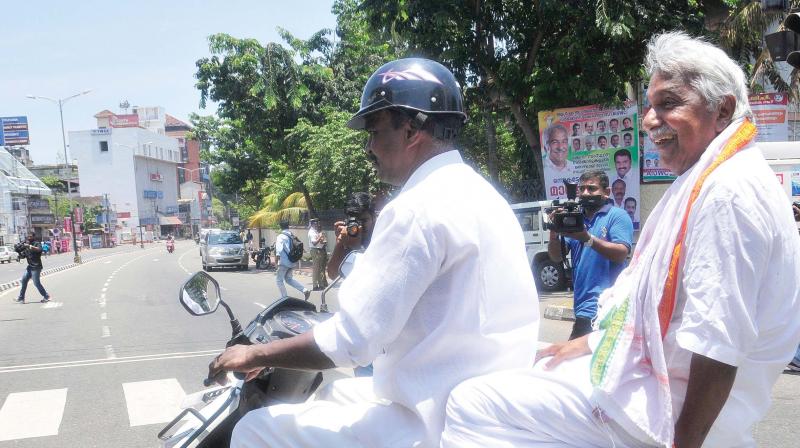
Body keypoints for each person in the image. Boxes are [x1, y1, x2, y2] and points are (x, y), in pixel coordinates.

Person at [441, 32, 800, 448]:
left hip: (669, 411)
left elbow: (717, 339)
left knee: (470, 403)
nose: (649, 119)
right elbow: (653, 305)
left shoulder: (728, 191)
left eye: (668, 104)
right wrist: (590, 343)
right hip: (671, 395)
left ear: (723, 109)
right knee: (541, 368)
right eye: (651, 106)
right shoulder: (718, 177)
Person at [211, 57, 539, 447]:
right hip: (480, 402)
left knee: (254, 429)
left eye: (374, 129)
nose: (369, 146)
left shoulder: (417, 207)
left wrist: (255, 355)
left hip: (433, 418)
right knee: (334, 394)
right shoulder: (484, 196)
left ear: (413, 129)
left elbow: (354, 340)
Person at [545, 170, 633, 340]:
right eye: (582, 189)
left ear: (606, 193)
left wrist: (587, 239)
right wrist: (554, 231)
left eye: (592, 189)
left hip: (608, 306)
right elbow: (557, 257)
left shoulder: (617, 216)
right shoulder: (575, 218)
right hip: (582, 307)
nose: (585, 193)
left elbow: (621, 253)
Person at [326, 192, 376, 280]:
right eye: (355, 221)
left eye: (363, 221)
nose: (359, 226)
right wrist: (339, 243)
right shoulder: (348, 237)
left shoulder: (381, 236)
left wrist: (356, 248)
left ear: (374, 218)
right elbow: (332, 274)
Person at [274, 221, 310, 300]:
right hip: (292, 261)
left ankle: (284, 298)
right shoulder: (291, 235)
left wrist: (276, 262)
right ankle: (305, 290)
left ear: (281, 227)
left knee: (279, 280)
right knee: (288, 279)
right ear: (288, 226)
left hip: (284, 262)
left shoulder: (280, 236)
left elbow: (279, 250)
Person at [14, 232, 51, 304]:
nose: (29, 238)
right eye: (28, 236)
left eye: (30, 236)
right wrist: (18, 253)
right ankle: (21, 298)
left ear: (34, 237)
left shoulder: (37, 243)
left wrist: (30, 246)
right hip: (30, 267)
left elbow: (40, 250)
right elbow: (23, 256)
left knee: (36, 283)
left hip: (36, 267)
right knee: (24, 280)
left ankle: (46, 296)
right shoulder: (26, 246)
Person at [542, 123, 578, 196]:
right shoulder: (544, 169)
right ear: (546, 147)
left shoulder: (576, 167)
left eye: (564, 141)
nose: (560, 147)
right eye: (555, 142)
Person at [307, 218, 328, 291]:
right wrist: (320, 237)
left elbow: (321, 242)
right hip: (315, 250)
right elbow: (314, 243)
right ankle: (315, 286)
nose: (317, 225)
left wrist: (323, 240)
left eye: (317, 223)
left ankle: (321, 284)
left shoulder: (315, 231)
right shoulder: (311, 232)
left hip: (319, 250)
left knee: (319, 268)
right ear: (312, 224)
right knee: (316, 269)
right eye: (315, 224)